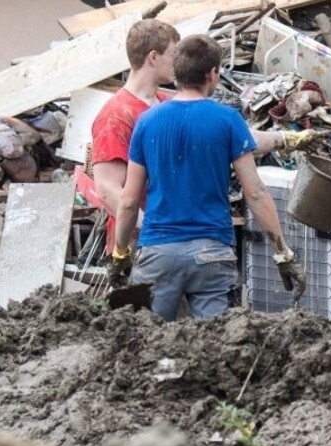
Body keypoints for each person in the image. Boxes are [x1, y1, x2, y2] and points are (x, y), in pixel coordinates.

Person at [111, 34, 305, 321]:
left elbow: (128, 201)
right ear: (212, 73)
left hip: (157, 255)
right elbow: (256, 194)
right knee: (216, 353)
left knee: (144, 348)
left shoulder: (147, 122)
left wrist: (120, 253)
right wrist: (283, 253)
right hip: (213, 256)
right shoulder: (228, 120)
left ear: (177, 73)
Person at [92, 19, 316, 256]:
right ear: (153, 58)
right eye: (173, 53)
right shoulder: (116, 114)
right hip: (140, 244)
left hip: (176, 243)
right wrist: (150, 231)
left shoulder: (164, 106)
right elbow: (108, 189)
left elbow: (239, 139)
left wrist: (286, 138)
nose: (179, 61)